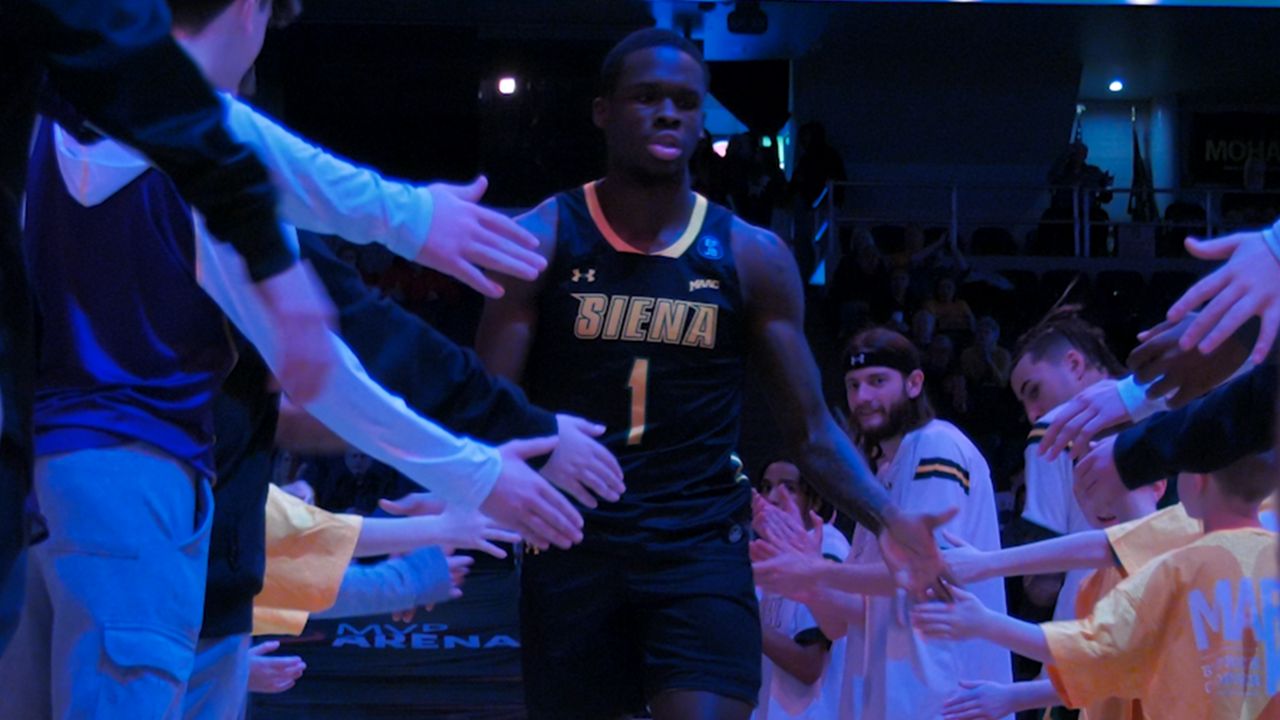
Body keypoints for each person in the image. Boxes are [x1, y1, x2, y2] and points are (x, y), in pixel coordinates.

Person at [475, 28, 953, 720]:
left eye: (684, 101)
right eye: (647, 98)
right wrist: (455, 501)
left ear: (702, 121)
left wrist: (887, 518)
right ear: (603, 111)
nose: (667, 113)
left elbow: (811, 429)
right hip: (574, 546)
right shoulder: (541, 238)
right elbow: (487, 405)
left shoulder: (751, 255)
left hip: (698, 549)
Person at [0, 0, 340, 654]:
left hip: (37, 476)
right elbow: (323, 385)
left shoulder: (43, 127)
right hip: (141, 473)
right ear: (249, 11)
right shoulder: (218, 149)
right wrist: (469, 470)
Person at [914, 451, 1280, 720]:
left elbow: (1096, 650)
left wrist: (983, 617)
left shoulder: (1175, 568)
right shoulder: (1106, 580)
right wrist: (1015, 695)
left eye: (1107, 483)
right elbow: (1107, 669)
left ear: (1181, 484)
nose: (1100, 500)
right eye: (1085, 489)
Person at [827, 328, 1010, 720]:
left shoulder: (935, 446)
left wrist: (815, 571)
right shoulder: (880, 475)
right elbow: (851, 614)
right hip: (895, 696)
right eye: (853, 385)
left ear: (914, 383)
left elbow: (920, 572)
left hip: (946, 697)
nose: (862, 397)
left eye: (877, 381)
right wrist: (798, 575)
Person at [1009, 307, 1165, 630]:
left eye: (1034, 391)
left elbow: (1043, 583)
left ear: (1074, 364)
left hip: (1093, 623)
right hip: (1187, 605)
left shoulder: (1053, 428)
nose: (1032, 413)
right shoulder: (1179, 405)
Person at [753, 460, 850, 720]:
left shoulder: (827, 546)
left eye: (788, 488)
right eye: (766, 487)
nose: (772, 498)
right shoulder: (771, 557)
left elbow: (809, 665)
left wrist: (741, 615)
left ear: (815, 501)